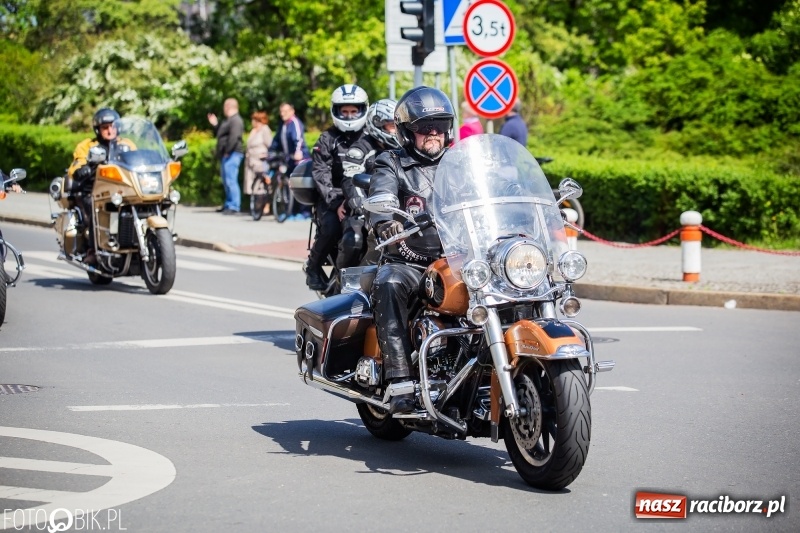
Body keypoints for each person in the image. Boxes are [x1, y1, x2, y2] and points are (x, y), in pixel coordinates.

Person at [367, 86, 454, 414]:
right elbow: (381, 195)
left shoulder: (460, 162)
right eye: (423, 127)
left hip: (460, 260)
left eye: (440, 126)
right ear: (407, 131)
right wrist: (385, 220)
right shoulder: (391, 162)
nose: (433, 133)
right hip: (410, 260)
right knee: (389, 283)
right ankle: (401, 381)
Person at [304, 84, 370, 290]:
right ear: (337, 111)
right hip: (332, 199)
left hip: (365, 196)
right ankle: (313, 268)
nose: (349, 116)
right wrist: (335, 202)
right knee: (332, 227)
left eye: (353, 111)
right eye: (345, 111)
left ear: (362, 110)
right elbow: (321, 174)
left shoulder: (371, 137)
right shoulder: (327, 139)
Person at [336, 98, 401, 269]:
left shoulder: (402, 150)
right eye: (391, 125)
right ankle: (342, 282)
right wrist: (360, 202)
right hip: (364, 208)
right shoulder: (360, 149)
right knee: (354, 239)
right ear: (377, 124)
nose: (396, 130)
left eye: (397, 125)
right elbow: (350, 180)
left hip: (394, 209)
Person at [68, 108, 135, 263]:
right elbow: (75, 168)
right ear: (98, 129)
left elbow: (137, 161)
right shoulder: (87, 146)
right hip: (94, 190)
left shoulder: (127, 144)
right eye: (105, 127)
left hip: (121, 191)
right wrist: (84, 168)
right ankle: (93, 249)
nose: (110, 130)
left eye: (113, 126)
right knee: (96, 208)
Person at [208, 98, 244, 215]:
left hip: (233, 153)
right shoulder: (229, 120)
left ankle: (234, 206)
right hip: (227, 154)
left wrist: (228, 150)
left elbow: (234, 137)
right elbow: (222, 134)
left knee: (231, 180)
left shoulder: (236, 120)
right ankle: (229, 204)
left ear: (228, 106)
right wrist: (216, 124)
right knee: (226, 181)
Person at [244, 110, 274, 214]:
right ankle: (256, 207)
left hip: (261, 161)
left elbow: (270, 144)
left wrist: (267, 156)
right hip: (252, 162)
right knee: (254, 185)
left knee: (263, 184)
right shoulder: (253, 130)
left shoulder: (265, 129)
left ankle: (266, 205)